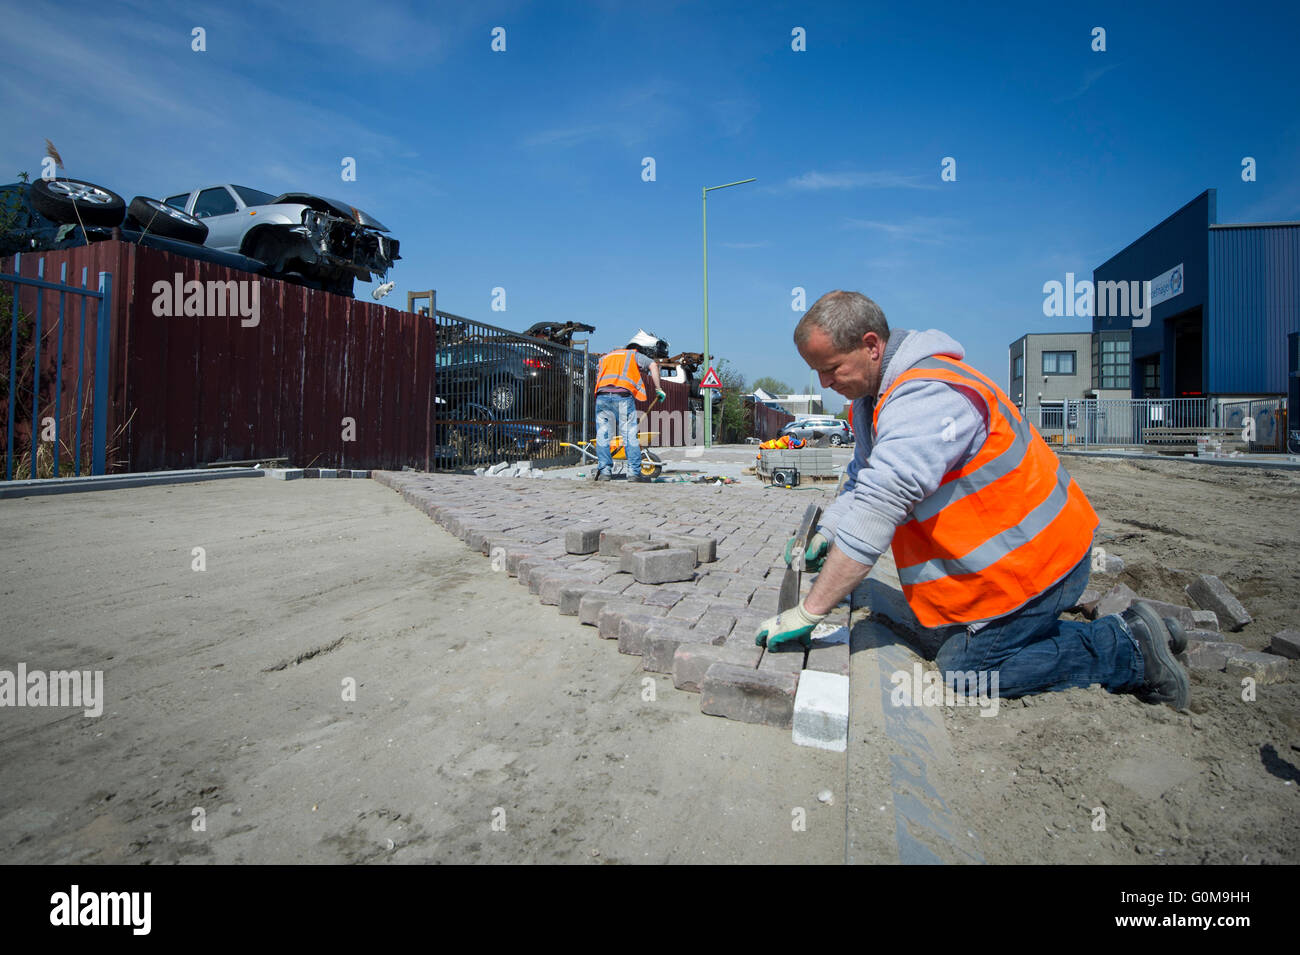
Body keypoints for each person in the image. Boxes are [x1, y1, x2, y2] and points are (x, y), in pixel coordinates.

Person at [754, 290, 1190, 709]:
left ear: (871, 346)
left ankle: (1128, 648)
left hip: (1042, 562)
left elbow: (878, 505)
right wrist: (829, 531)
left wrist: (811, 612)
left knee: (965, 667)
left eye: (831, 368)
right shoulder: (874, 400)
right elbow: (861, 477)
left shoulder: (926, 395)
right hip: (1010, 560)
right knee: (948, 635)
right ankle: (1147, 634)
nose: (824, 383)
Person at [592, 329, 666, 483]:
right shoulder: (633, 355)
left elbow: (599, 376)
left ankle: (605, 472)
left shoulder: (605, 357)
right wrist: (658, 388)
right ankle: (633, 473)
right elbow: (653, 365)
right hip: (623, 397)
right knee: (629, 435)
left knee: (603, 436)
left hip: (602, 397)